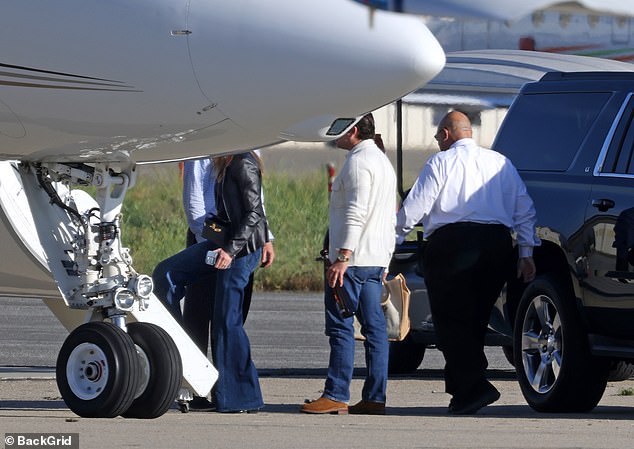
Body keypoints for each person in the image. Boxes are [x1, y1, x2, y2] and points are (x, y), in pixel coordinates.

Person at [395, 110, 540, 415]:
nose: (437, 144)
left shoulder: (441, 162)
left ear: (446, 134)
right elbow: (524, 208)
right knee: (476, 318)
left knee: (450, 321)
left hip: (453, 245)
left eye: (437, 138)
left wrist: (390, 243)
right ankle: (464, 391)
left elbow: (415, 207)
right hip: (496, 244)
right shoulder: (500, 163)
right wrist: (525, 252)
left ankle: (474, 387)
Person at [153, 151, 270, 413]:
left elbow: (255, 212)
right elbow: (203, 208)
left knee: (226, 322)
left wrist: (230, 249)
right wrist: (211, 242)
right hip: (220, 242)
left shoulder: (242, 162)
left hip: (238, 250)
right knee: (165, 275)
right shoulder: (221, 160)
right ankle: (189, 363)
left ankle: (239, 397)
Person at [301, 113, 397, 415]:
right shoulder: (382, 161)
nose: (334, 134)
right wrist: (386, 258)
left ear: (353, 131)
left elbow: (356, 213)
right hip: (374, 260)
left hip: (352, 263)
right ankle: (375, 397)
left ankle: (336, 394)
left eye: (339, 129)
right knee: (375, 330)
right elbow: (390, 216)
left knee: (341, 327)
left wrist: (342, 257)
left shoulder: (358, 162)